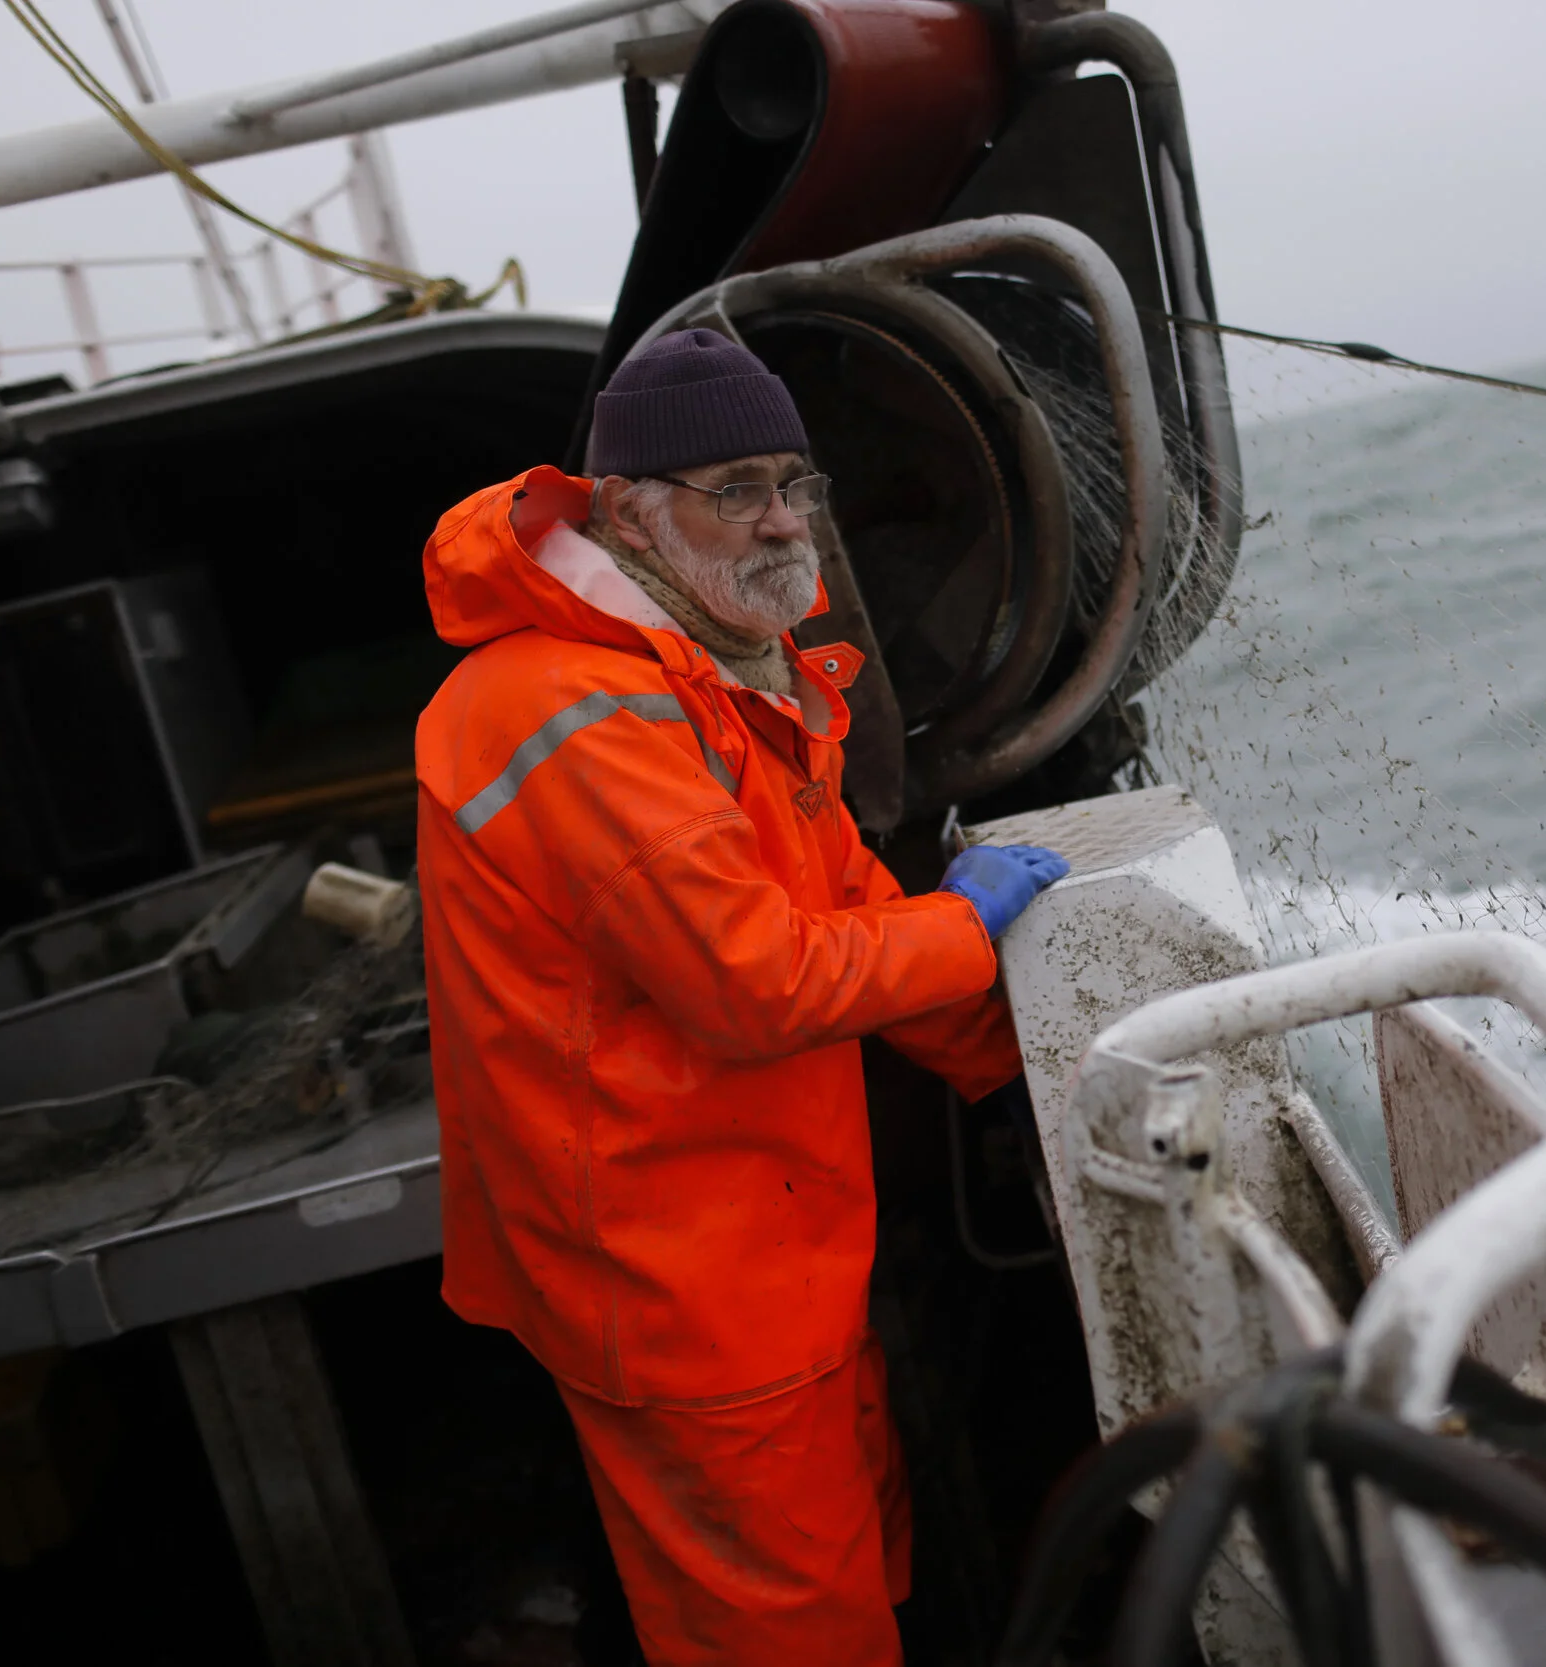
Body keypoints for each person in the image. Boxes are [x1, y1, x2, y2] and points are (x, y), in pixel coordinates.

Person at [413, 328, 1069, 1667]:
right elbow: (760, 984)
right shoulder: (579, 711)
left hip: (763, 1245)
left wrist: (1032, 1065)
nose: (780, 515)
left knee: (850, 1571)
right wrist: (966, 923)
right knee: (785, 1636)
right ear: (636, 513)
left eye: (794, 481)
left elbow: (841, 903)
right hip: (674, 1281)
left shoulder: (721, 679)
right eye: (735, 487)